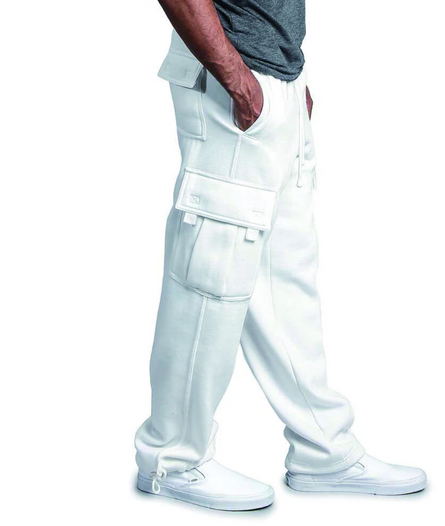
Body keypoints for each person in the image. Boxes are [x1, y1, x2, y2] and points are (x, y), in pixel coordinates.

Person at [134, 0, 426, 511]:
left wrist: (289, 79)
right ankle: (171, 459)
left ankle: (323, 451)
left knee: (286, 277)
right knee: (211, 276)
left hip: (275, 80)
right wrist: (236, 78)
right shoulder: (234, 79)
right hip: (229, 82)